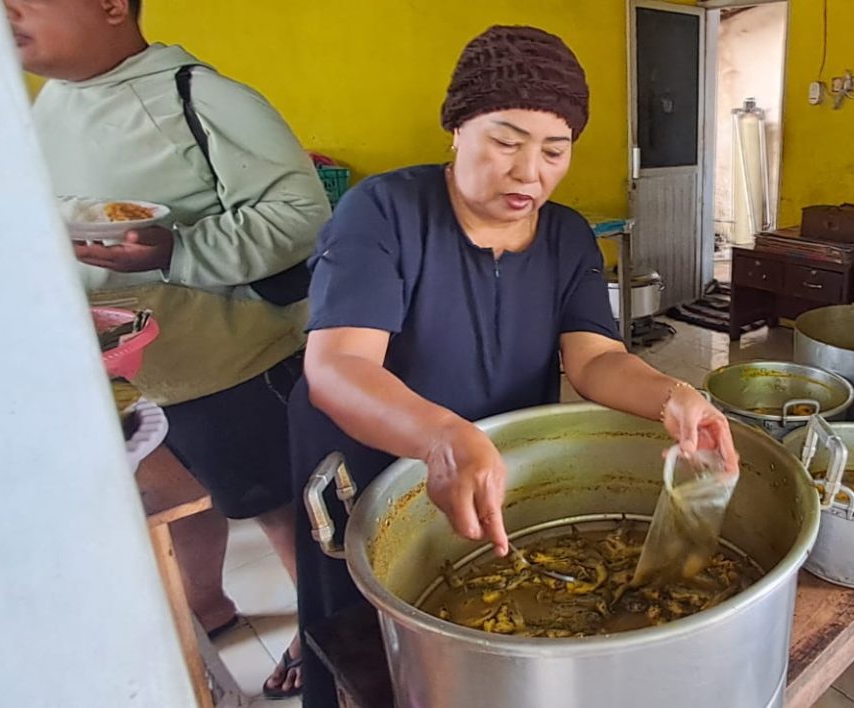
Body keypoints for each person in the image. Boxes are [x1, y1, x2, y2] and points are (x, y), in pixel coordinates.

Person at [288, 25, 738, 708]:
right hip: (373, 465)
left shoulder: (567, 235)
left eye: (555, 151)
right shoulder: (383, 212)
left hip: (492, 461)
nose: (530, 173)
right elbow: (338, 367)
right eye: (506, 142)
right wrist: (442, 437)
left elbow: (595, 359)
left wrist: (671, 395)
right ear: (457, 129)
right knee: (368, 649)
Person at [8, 0, 329, 697]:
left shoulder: (199, 97)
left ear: (111, 6)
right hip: (129, 366)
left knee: (277, 505)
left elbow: (303, 217)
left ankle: (322, 632)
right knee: (179, 498)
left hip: (230, 361)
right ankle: (207, 603)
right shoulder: (47, 104)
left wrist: (175, 249)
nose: (7, 11)